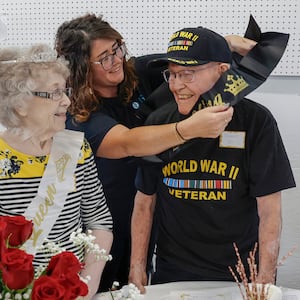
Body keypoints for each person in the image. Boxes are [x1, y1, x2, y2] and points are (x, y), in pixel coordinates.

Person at [54, 13, 255, 292]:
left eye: (117, 49)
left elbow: (187, 61)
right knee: (104, 288)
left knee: (141, 286)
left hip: (149, 208)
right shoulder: (77, 115)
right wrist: (188, 129)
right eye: (104, 58)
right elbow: (127, 142)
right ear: (79, 68)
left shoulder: (137, 71)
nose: (116, 61)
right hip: (105, 222)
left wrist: (228, 43)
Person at [129, 26, 296, 293]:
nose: (176, 85)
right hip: (173, 272)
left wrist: (264, 279)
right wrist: (136, 269)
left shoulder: (256, 122)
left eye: (187, 74)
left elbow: (269, 209)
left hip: (240, 273)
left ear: (221, 70)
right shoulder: (160, 123)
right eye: (171, 74)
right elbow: (144, 201)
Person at [0, 44, 113, 299]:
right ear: (20, 105)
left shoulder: (77, 148)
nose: (67, 101)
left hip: (70, 290)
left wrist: (87, 284)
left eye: (66, 91)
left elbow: (99, 222)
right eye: (55, 93)